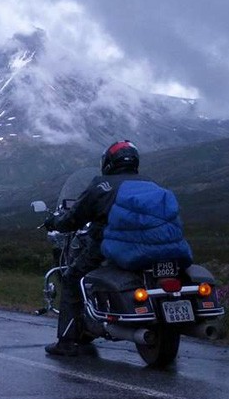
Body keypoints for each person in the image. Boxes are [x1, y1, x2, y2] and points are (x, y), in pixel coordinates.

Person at [42, 140, 192, 356]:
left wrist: (54, 223)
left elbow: (73, 219)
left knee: (73, 277)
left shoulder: (103, 186)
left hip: (114, 246)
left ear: (109, 162)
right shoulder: (150, 183)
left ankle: (67, 341)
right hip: (167, 249)